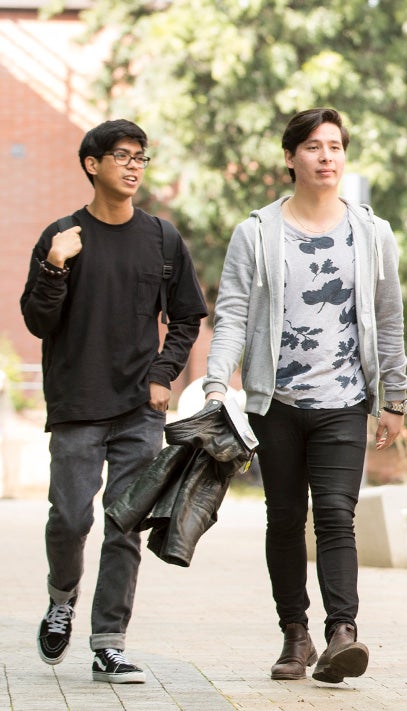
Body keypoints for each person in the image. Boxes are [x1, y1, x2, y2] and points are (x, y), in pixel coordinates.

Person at [204, 107, 407, 684]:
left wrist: (393, 395)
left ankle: (342, 632)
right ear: (290, 157)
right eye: (314, 147)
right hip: (276, 403)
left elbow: (389, 319)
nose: (327, 157)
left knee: (336, 516)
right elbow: (234, 316)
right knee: (285, 517)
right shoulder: (257, 232)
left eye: (336, 147)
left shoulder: (372, 233)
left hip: (345, 399)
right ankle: (295, 634)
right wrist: (219, 381)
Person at [22, 119, 207, 683]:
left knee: (124, 525)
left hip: (137, 410)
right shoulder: (62, 236)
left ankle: (109, 642)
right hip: (77, 403)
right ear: (92, 164)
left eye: (141, 157)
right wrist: (55, 267)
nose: (133, 166)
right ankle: (61, 599)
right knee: (70, 520)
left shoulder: (161, 238)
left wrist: (163, 375)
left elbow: (188, 316)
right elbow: (37, 320)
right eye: (122, 156)